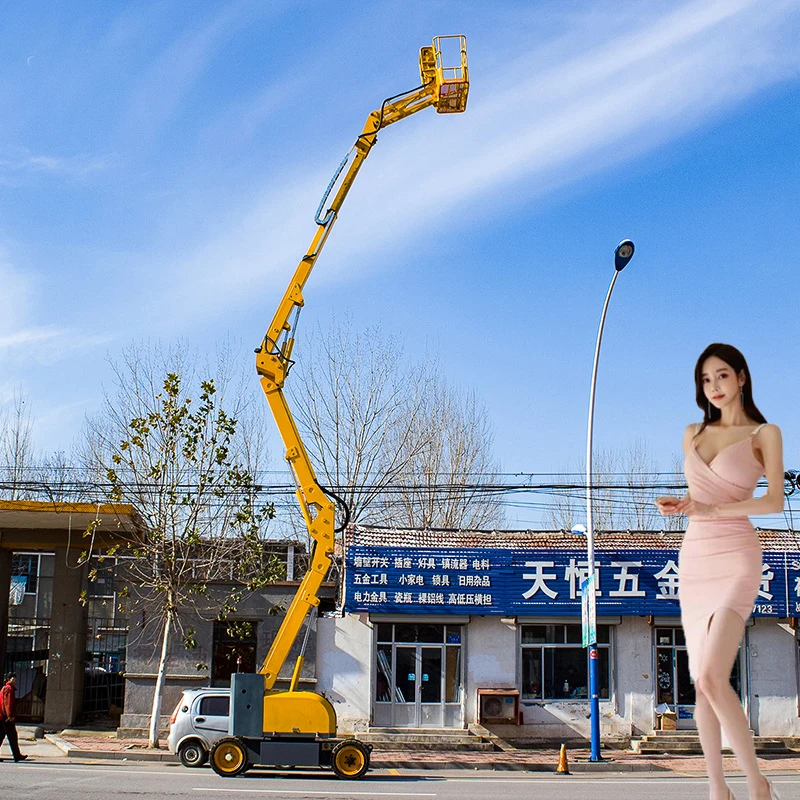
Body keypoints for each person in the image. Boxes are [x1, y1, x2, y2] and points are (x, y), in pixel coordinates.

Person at [656, 343, 784, 800]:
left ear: (742, 377)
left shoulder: (764, 433)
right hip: (696, 557)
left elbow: (774, 502)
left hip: (736, 557)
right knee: (701, 684)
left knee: (712, 675)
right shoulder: (691, 432)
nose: (715, 387)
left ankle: (757, 784)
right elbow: (701, 496)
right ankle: (717, 788)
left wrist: (712, 507)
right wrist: (686, 506)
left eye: (723, 376)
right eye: (707, 380)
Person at [0, 673, 28, 762]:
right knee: (12, 736)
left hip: (2, 716)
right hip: (6, 717)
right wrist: (9, 715)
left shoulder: (5, 688)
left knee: (1, 736)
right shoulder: (9, 689)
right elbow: (7, 703)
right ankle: (17, 755)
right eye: (14, 679)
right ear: (9, 679)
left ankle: (17, 755)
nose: (15, 681)